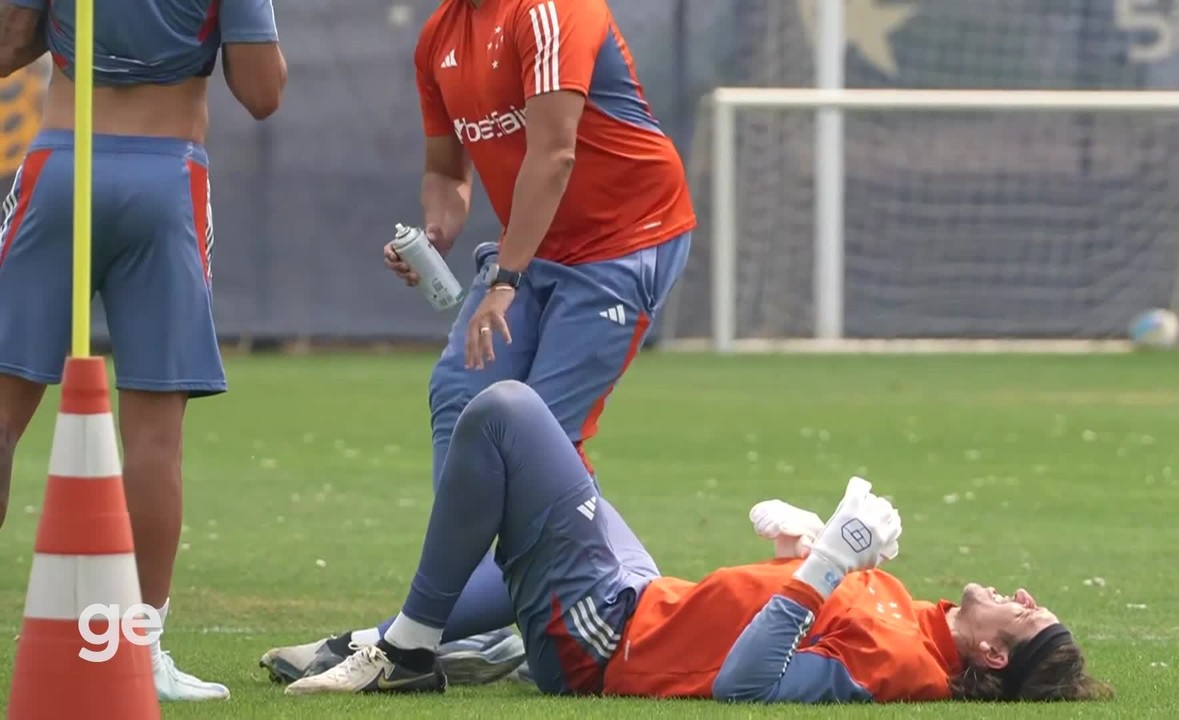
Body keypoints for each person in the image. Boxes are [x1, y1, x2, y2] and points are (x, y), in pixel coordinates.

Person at [262, 0, 696, 684]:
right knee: (461, 395)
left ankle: (396, 641)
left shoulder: (553, 10)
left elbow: (554, 154)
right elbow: (447, 172)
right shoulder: (439, 35)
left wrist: (505, 281)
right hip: (536, 244)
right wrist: (435, 235)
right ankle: (495, 614)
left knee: (536, 441)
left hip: (624, 241)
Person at [278, 380, 1114, 703]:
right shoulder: (916, 617)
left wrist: (823, 567)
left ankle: (411, 652)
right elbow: (793, 615)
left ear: (996, 658)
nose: (1025, 599)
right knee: (553, 488)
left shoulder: (908, 668)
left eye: (1031, 619)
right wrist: (802, 545)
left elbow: (747, 684)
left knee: (504, 412)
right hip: (650, 597)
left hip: (611, 638)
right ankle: (376, 642)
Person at [0, 0, 287, 702]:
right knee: (155, 438)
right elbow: (262, 91)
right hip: (166, 176)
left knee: (2, 413)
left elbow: (8, 42)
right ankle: (139, 646)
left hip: (61, 165)